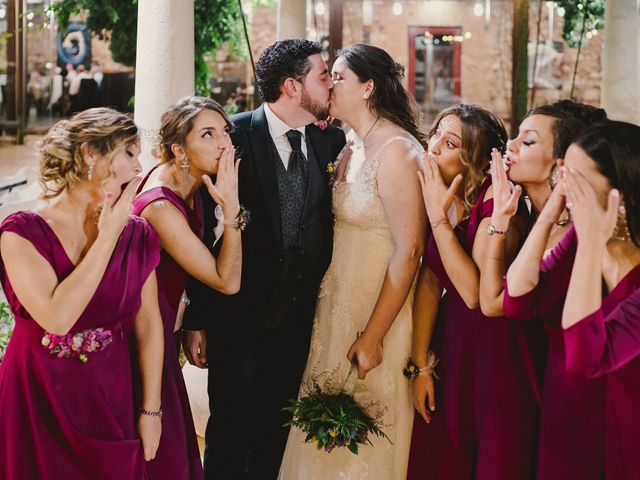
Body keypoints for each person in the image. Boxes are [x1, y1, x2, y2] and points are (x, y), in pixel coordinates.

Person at [181, 39, 346, 480]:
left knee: (279, 431)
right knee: (231, 432)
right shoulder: (231, 137)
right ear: (293, 86)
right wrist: (196, 315)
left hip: (300, 317)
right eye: (323, 75)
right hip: (239, 317)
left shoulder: (331, 140)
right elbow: (202, 229)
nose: (331, 84)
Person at [278, 43, 426, 480]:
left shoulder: (398, 151)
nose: (329, 85)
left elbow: (410, 250)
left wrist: (375, 335)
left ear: (367, 88)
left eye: (337, 77)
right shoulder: (348, 148)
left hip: (378, 309)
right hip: (335, 305)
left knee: (366, 429)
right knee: (325, 428)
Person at [0, 108, 164, 479]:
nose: (139, 168)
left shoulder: (136, 234)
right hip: (35, 396)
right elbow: (58, 317)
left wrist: (151, 409)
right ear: (91, 154)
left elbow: (150, 324)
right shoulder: (21, 233)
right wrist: (106, 237)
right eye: (129, 153)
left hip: (109, 395)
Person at [406, 104, 542, 479]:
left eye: (449, 143)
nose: (432, 147)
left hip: (497, 356)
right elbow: (431, 281)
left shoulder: (498, 205)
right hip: (454, 347)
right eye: (435, 134)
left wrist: (437, 218)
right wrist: (420, 365)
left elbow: (471, 294)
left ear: (478, 162)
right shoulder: (444, 194)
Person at [132, 96, 242, 479]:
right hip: (143, 335)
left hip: (169, 326)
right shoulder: (161, 206)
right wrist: (232, 209)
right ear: (179, 149)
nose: (224, 144)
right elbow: (227, 280)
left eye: (224, 132)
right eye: (208, 135)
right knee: (160, 448)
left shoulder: (191, 185)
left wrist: (193, 320)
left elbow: (188, 274)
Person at [502, 102, 610, 480]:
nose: (510, 146)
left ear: (561, 165)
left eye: (527, 141)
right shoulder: (527, 220)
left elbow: (513, 304)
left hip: (592, 391)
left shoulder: (582, 231)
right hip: (553, 384)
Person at [558, 121, 640, 480]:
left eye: (579, 182)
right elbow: (515, 297)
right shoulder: (582, 239)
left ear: (620, 196)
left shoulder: (589, 243)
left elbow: (586, 358)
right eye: (563, 175)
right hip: (598, 427)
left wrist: (590, 243)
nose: (565, 189)